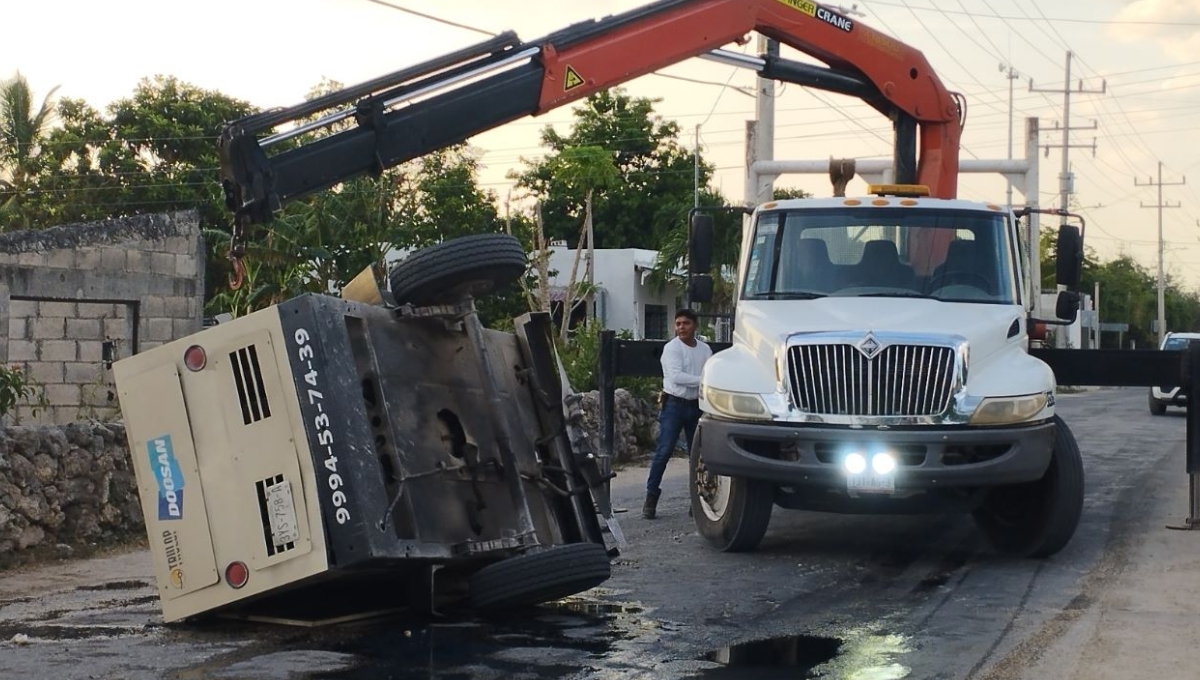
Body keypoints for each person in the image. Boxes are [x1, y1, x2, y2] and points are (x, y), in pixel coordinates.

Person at [643, 308, 712, 519]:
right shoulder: (671, 349)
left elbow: (710, 371)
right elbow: (676, 377)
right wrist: (703, 379)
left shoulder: (705, 350)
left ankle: (697, 500)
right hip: (674, 405)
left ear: (695, 326)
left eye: (686, 323)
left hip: (696, 405)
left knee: (698, 455)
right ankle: (651, 497)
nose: (681, 327)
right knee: (664, 451)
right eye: (678, 323)